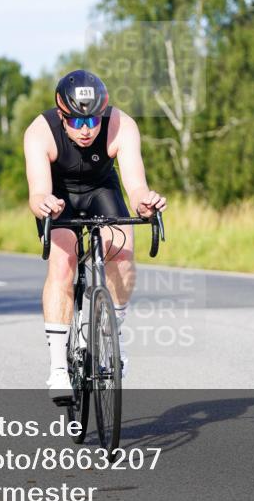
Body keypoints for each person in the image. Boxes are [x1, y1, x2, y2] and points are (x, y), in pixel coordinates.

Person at [23, 69, 166, 400]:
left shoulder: (122, 125)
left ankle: (110, 337)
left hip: (101, 188)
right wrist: (43, 203)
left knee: (123, 252)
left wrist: (145, 203)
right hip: (58, 195)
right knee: (63, 261)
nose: (86, 130)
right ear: (62, 115)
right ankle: (58, 369)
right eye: (75, 122)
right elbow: (37, 193)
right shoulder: (39, 132)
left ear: (103, 113)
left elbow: (135, 185)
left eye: (93, 121)